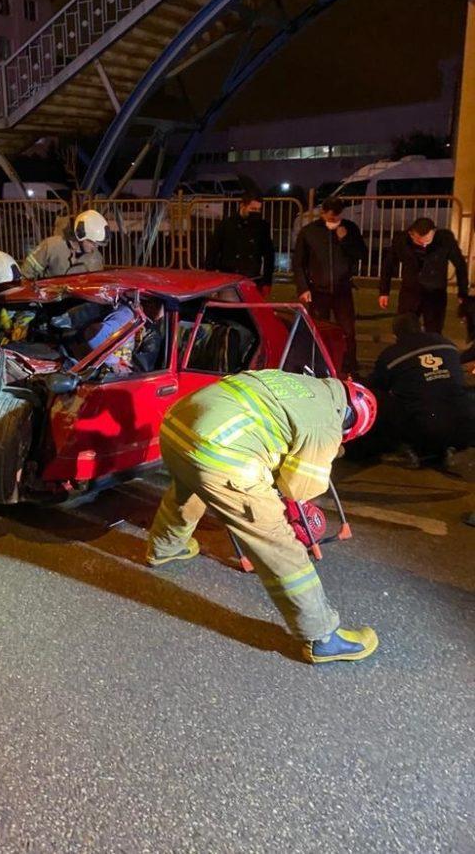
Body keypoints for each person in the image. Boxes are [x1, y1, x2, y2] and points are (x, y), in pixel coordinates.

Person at [145, 369, 379, 665]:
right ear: (351, 423)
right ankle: (322, 637)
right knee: (277, 543)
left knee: (188, 485)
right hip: (221, 454)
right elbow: (297, 488)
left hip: (177, 425)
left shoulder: (301, 384)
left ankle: (165, 548)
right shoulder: (326, 423)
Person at [367, 313, 475, 468]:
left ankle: (402, 449)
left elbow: (375, 386)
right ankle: (449, 447)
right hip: (464, 423)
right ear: (420, 327)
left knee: (375, 399)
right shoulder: (446, 344)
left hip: (424, 429)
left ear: (395, 334)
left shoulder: (391, 355)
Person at [293, 197, 367, 375]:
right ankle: (319, 365)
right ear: (323, 213)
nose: (333, 221)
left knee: (348, 330)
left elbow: (361, 253)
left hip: (342, 288)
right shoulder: (309, 232)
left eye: (337, 217)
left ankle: (349, 366)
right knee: (319, 330)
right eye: (330, 217)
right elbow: (298, 262)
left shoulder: (349, 228)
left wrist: (345, 240)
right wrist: (303, 288)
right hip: (318, 290)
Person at [379, 217, 469, 333]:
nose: (424, 245)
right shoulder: (402, 240)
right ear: (412, 234)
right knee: (405, 328)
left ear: (434, 232)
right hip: (410, 290)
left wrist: (462, 293)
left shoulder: (445, 240)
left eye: (427, 241)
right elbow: (388, 264)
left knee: (434, 330)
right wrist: (384, 291)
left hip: (435, 291)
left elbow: (460, 265)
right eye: (419, 242)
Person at [204, 196, 275, 297]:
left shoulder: (262, 227)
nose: (256, 212)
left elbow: (269, 255)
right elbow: (212, 252)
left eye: (258, 209)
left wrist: (267, 281)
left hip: (252, 277)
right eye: (253, 209)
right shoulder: (226, 225)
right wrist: (210, 278)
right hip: (229, 278)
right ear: (242, 206)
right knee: (230, 309)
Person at [22, 210, 107, 279]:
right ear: (80, 235)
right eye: (92, 242)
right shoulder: (52, 246)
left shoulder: (96, 258)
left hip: (77, 298)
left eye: (97, 244)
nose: (96, 247)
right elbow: (27, 272)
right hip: (49, 297)